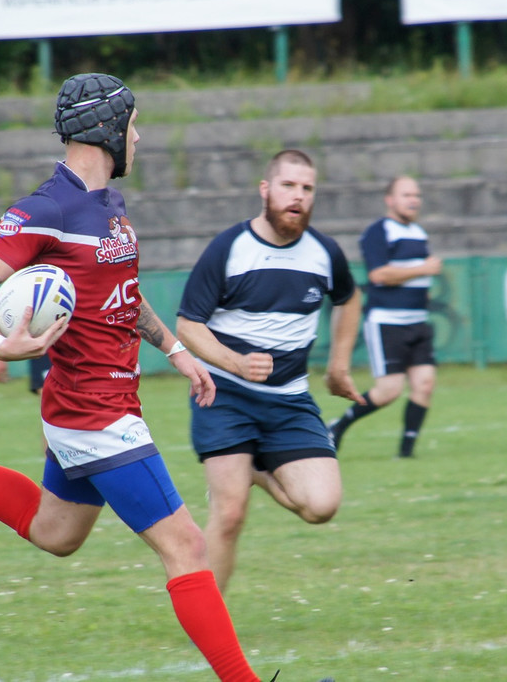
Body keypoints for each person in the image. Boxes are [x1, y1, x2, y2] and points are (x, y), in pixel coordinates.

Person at [0, 74, 280, 682]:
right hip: (95, 412)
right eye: (133, 125)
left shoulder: (110, 205)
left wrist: (175, 349)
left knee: (56, 531)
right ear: (107, 129)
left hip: (96, 403)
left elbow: (121, 295)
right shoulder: (46, 208)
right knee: (188, 547)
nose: (139, 138)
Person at [176, 149, 364, 593]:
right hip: (225, 395)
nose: (298, 196)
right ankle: (210, 621)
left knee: (322, 506)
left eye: (307, 188)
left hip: (290, 400)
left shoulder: (324, 253)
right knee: (230, 515)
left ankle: (255, 468)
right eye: (288, 186)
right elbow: (188, 325)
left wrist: (338, 365)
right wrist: (236, 363)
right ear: (265, 190)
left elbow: (349, 299)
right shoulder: (229, 248)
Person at [327, 175, 441, 458]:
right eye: (406, 195)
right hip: (388, 323)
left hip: (417, 321)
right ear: (390, 200)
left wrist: (423, 287)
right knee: (389, 390)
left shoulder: (419, 232)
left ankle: (406, 454)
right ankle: (338, 426)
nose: (413, 200)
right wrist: (424, 270)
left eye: (416, 195)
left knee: (425, 384)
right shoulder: (378, 231)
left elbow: (414, 272)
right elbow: (379, 275)